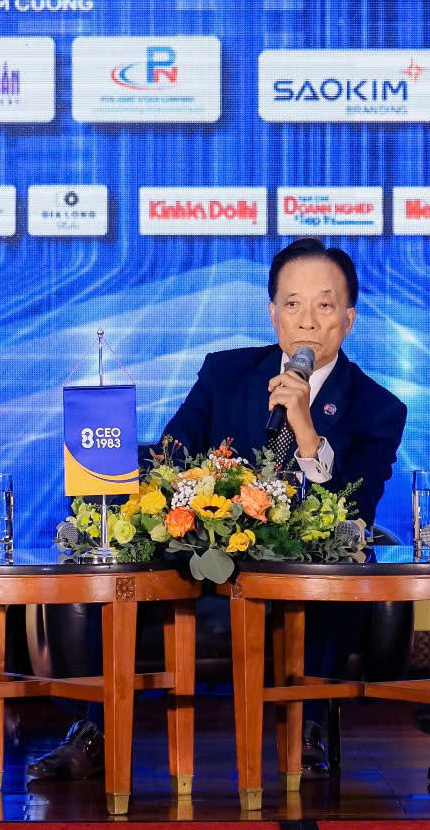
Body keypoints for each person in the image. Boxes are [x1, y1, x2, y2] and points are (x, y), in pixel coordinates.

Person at [28, 236, 408, 782]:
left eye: (324, 305)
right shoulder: (225, 372)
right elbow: (170, 457)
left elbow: (355, 509)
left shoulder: (378, 408)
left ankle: (308, 729)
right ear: (273, 313)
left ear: (349, 318)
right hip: (203, 553)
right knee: (126, 560)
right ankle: (94, 728)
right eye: (292, 304)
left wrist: (305, 430)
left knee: (334, 564)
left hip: (301, 569)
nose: (307, 321)